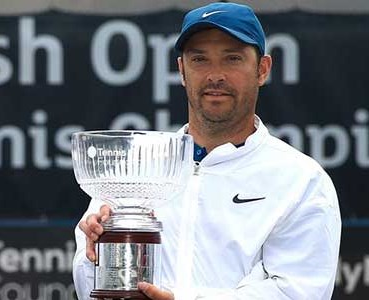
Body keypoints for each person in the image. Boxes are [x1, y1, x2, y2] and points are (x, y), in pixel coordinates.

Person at [73, 2, 341, 299]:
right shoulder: (135, 166)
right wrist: (97, 256)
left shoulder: (300, 180)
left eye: (232, 58)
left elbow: (298, 293)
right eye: (200, 59)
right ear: (182, 70)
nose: (216, 75)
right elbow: (91, 290)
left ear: (262, 69)